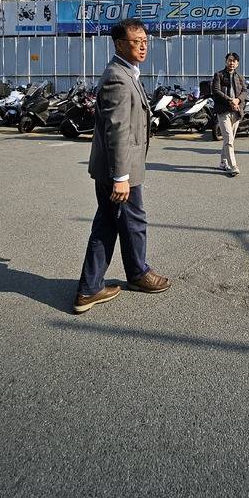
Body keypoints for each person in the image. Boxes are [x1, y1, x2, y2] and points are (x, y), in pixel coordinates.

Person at [73, 19, 170, 314]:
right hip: (119, 170)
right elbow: (117, 131)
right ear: (119, 44)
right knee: (129, 222)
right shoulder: (118, 77)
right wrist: (121, 177)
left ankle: (113, 280)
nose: (143, 46)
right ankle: (127, 277)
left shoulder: (127, 72)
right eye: (136, 41)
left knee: (110, 221)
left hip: (117, 168)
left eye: (145, 41)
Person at [211, 52, 248, 176]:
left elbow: (244, 91)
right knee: (228, 138)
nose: (231, 63)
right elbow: (216, 91)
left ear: (237, 63)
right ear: (226, 61)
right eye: (229, 60)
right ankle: (233, 166)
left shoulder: (240, 77)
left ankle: (223, 162)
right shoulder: (219, 75)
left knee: (229, 139)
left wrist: (237, 100)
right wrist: (230, 100)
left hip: (236, 111)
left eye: (234, 61)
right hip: (223, 111)